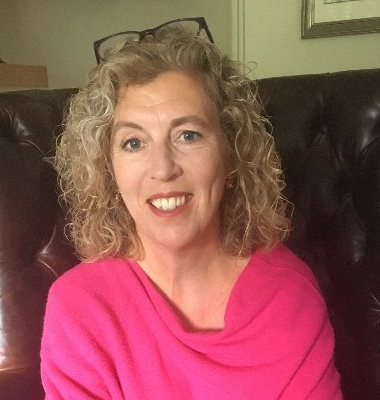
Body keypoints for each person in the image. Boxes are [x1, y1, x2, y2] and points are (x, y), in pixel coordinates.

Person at [40, 17, 342, 399]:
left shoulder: (289, 297)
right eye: (134, 143)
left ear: (231, 155)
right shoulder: (80, 307)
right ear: (108, 170)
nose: (163, 168)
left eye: (188, 135)